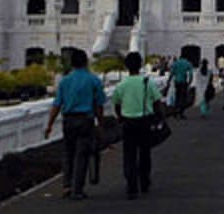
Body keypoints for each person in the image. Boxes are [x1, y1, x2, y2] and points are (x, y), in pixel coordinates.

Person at [44, 48, 105, 201]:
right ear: (86, 62)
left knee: (68, 153)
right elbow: (98, 105)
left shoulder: (65, 81)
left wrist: (50, 124)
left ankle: (67, 186)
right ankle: (77, 189)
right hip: (85, 119)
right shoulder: (93, 80)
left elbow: (57, 104)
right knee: (82, 154)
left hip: (68, 119)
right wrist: (101, 123)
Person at [112, 52, 162, 200]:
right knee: (145, 153)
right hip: (145, 121)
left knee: (129, 155)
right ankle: (144, 181)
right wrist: (160, 117)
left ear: (126, 66)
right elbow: (157, 101)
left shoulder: (121, 85)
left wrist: (121, 117)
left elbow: (117, 104)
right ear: (140, 65)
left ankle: (132, 185)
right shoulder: (147, 82)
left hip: (128, 122)